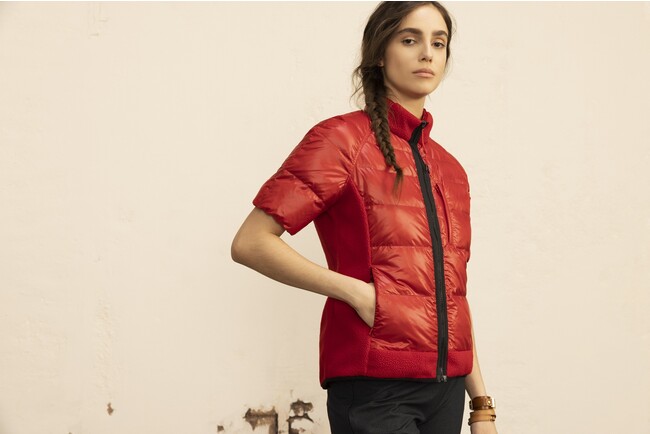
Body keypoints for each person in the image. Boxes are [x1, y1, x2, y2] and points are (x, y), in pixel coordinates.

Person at [231, 2, 498, 433]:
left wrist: (481, 404)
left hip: (447, 390)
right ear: (379, 53)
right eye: (409, 39)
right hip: (375, 385)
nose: (427, 53)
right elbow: (251, 242)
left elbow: (453, 295)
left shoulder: (450, 170)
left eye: (439, 43)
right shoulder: (340, 140)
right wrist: (357, 293)